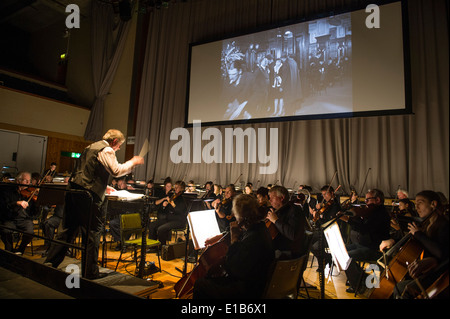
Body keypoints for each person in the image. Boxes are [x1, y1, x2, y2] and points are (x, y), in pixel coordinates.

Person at [44, 129, 144, 279]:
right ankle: (90, 273)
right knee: (92, 233)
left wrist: (105, 186)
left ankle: (49, 264)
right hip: (88, 197)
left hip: (73, 192)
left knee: (66, 230)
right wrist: (132, 162)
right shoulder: (107, 149)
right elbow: (116, 171)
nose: (118, 149)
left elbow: (87, 172)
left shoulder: (90, 147)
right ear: (115, 141)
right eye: (119, 146)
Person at [193, 194, 275, 299]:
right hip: (259, 282)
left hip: (249, 290)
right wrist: (222, 236)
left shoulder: (253, 238)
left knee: (201, 284)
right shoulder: (260, 228)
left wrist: (234, 239)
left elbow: (234, 268)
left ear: (240, 215)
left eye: (235, 213)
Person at [380, 190, 449, 299]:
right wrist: (393, 240)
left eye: (420, 203)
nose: (416, 207)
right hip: (421, 271)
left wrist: (418, 234)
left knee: (400, 288)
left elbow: (442, 253)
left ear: (433, 204)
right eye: (415, 204)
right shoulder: (425, 224)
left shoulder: (444, 225)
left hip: (438, 275)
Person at [340, 188, 391, 294]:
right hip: (362, 244)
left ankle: (360, 284)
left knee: (346, 257)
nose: (365, 202)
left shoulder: (380, 214)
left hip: (373, 248)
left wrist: (348, 220)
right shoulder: (371, 212)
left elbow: (364, 229)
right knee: (341, 250)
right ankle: (356, 278)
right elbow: (362, 224)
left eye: (368, 200)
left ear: (377, 200)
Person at [0, 171, 38, 255]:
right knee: (5, 231)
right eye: (26, 181)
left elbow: (34, 213)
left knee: (30, 232)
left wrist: (37, 203)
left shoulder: (30, 194)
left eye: (29, 181)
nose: (28, 183)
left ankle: (20, 250)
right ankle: (9, 251)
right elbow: (4, 206)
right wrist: (17, 203)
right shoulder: (8, 191)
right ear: (18, 181)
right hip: (10, 219)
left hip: (24, 219)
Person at [266, 185, 308, 259]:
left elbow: (293, 235)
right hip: (280, 250)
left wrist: (275, 220)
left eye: (272, 198)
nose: (270, 200)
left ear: (282, 198)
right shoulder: (277, 212)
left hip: (289, 253)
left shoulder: (294, 210)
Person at [148, 180, 187, 245]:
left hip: (178, 221)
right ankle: (152, 246)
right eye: (175, 187)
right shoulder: (173, 196)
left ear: (182, 188)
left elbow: (181, 212)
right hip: (169, 219)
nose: (175, 189)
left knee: (161, 229)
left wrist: (173, 204)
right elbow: (167, 210)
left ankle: (162, 247)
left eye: (177, 187)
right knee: (152, 225)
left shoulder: (183, 198)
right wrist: (164, 206)